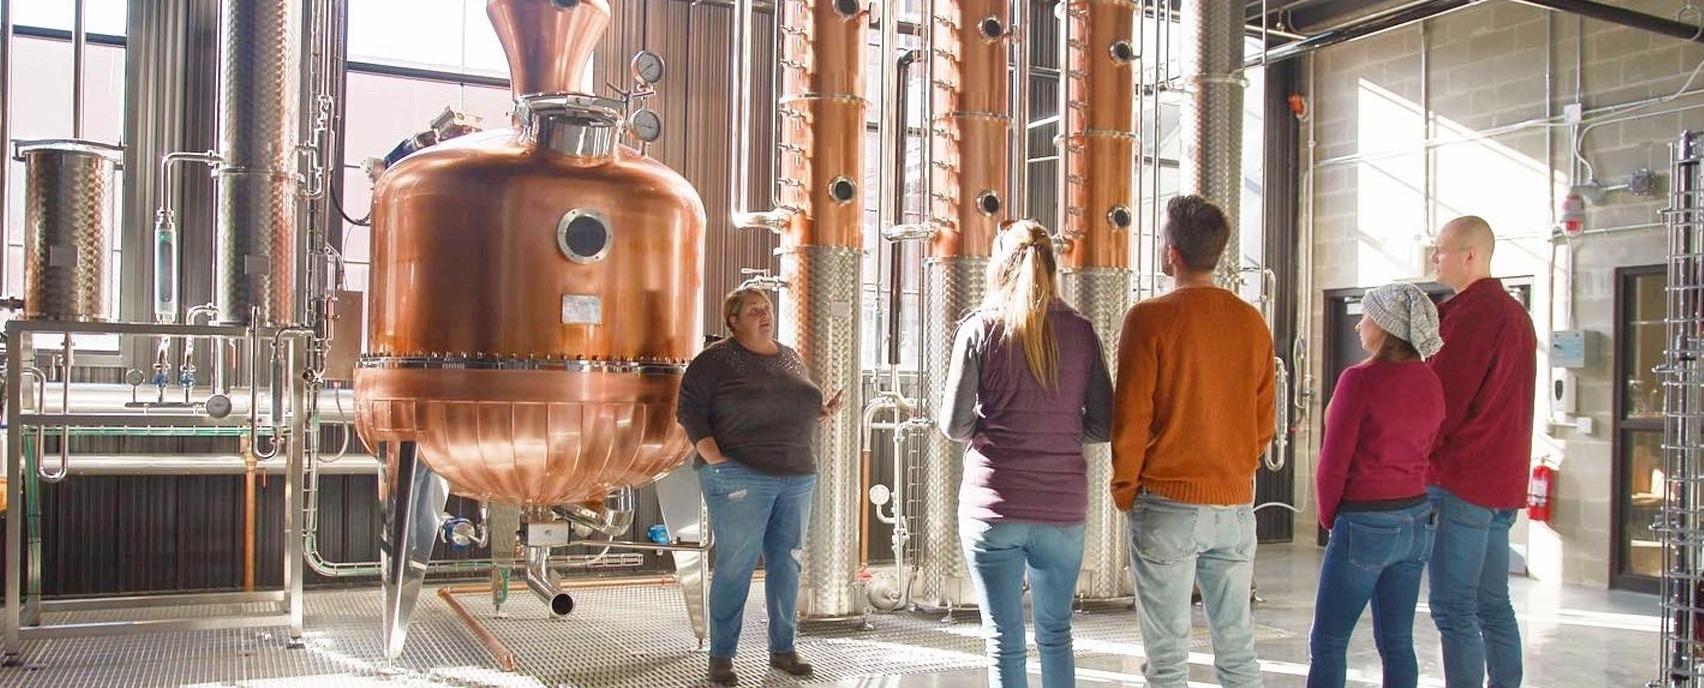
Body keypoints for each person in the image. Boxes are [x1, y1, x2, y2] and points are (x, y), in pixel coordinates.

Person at [939, 219, 1114, 688]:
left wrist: (997, 429)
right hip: (1061, 508)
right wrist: (1056, 431)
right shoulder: (1081, 332)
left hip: (993, 506)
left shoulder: (979, 329)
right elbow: (1104, 423)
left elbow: (953, 424)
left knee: (1004, 640)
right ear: (1054, 269)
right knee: (1056, 633)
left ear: (999, 267)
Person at [1111, 194, 1275, 688]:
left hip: (1167, 503)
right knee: (1237, 648)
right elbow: (1264, 420)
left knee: (1167, 659)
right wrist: (1234, 469)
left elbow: (1131, 416)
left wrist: (1125, 489)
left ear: (1171, 253)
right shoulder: (1251, 322)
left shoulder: (1148, 318)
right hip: (1234, 504)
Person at [676, 287, 844, 687]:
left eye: (766, 308)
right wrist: (715, 457)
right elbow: (689, 409)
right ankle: (722, 657)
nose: (764, 315)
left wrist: (818, 412)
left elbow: (789, 402)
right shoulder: (715, 360)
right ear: (733, 320)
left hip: (796, 473)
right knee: (736, 565)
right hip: (740, 474)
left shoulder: (787, 355)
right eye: (754, 311)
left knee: (788, 563)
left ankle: (783, 648)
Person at [1307, 283, 1446, 688]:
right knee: (1398, 641)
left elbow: (1333, 462)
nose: (1358, 326)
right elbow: (1432, 445)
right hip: (1417, 520)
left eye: (1365, 316)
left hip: (1365, 520)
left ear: (1384, 325)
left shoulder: (1359, 381)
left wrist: (1331, 518)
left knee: (1329, 641)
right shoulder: (1430, 380)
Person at [1425, 216, 1535, 688]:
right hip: (1502, 485)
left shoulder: (1471, 317)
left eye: (1441, 250)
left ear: (1470, 255)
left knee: (1453, 607)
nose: (1434, 258)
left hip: (1462, 482)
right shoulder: (1516, 315)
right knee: (1493, 604)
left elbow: (1442, 406)